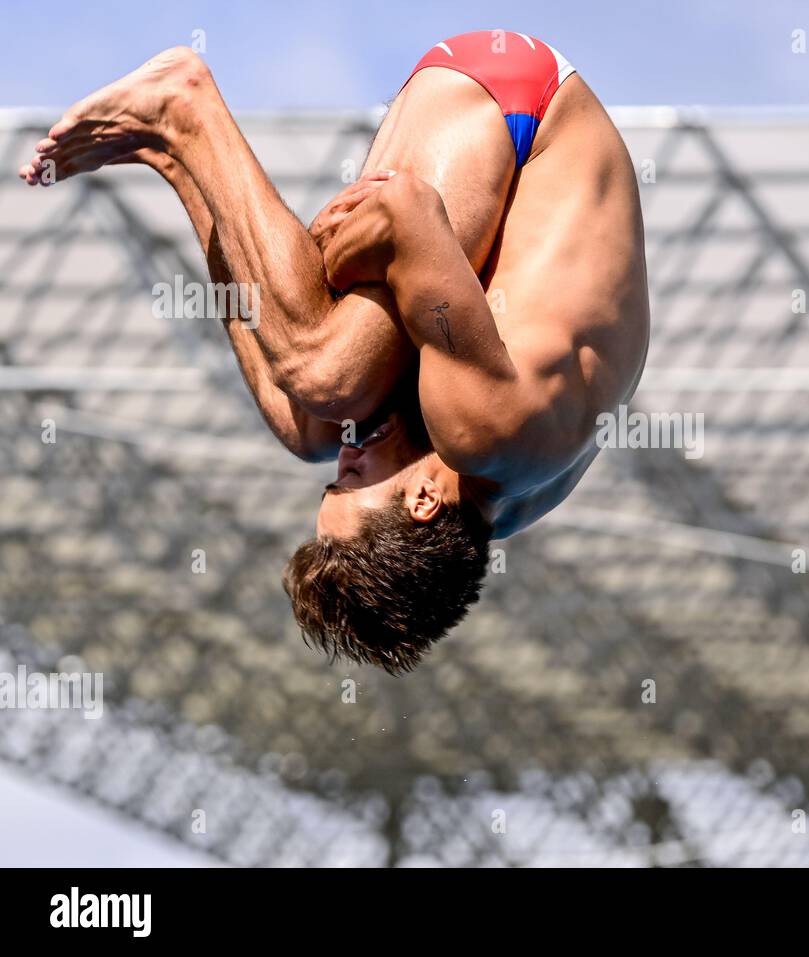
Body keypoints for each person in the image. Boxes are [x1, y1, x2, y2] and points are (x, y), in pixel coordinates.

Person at [19, 32, 650, 673]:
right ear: (425, 502)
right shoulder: (488, 431)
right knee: (327, 377)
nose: (348, 456)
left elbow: (396, 253)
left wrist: (296, 270)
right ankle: (183, 113)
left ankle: (176, 159)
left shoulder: (486, 507)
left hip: (495, 170)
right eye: (351, 479)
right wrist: (325, 251)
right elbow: (405, 211)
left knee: (304, 425)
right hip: (519, 108)